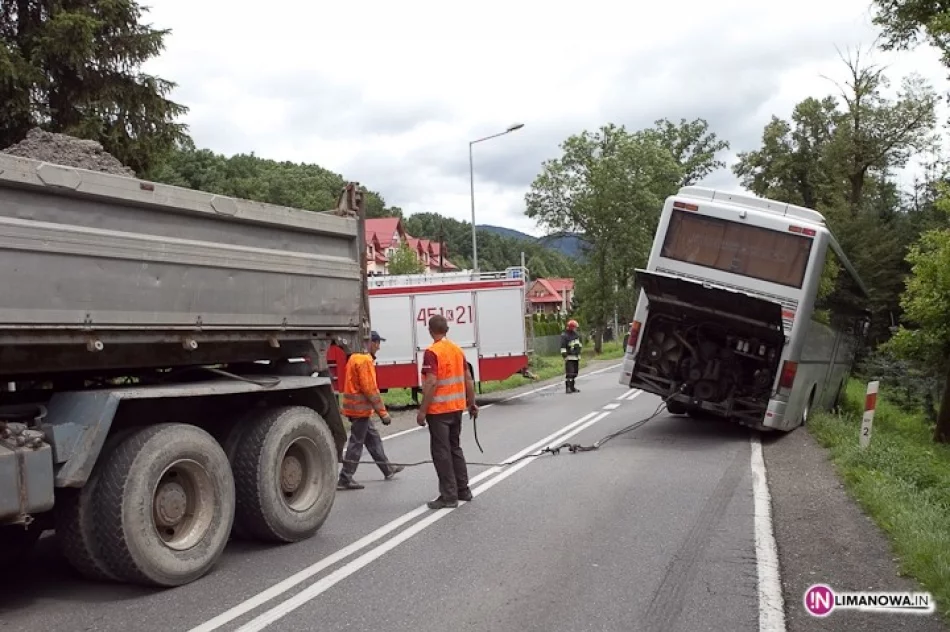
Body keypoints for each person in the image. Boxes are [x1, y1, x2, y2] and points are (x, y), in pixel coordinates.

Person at [416, 314, 478, 509]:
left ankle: (449, 496)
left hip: (439, 411)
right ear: (447, 330)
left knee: (441, 452)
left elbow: (431, 382)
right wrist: (472, 402)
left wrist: (422, 411)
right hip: (457, 408)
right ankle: (463, 490)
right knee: (455, 448)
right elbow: (468, 378)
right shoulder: (457, 350)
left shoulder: (432, 352)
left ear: (430, 331)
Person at [337, 331, 404, 490]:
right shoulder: (364, 360)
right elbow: (370, 389)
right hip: (360, 410)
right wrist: (383, 413)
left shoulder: (354, 357)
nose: (378, 347)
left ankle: (387, 469)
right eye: (377, 343)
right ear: (370, 343)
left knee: (373, 439)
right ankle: (345, 478)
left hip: (356, 409)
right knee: (356, 444)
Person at [560, 319, 583, 394]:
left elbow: (578, 344)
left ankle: (572, 387)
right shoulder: (565, 336)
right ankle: (568, 388)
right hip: (569, 357)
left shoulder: (576, 335)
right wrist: (565, 356)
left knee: (575, 373)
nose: (576, 329)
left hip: (576, 356)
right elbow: (563, 347)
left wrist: (579, 352)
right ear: (571, 327)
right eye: (575, 327)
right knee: (570, 373)